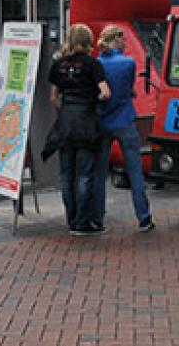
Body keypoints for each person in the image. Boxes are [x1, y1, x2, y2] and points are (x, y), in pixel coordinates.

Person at [48, 24, 110, 236]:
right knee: (84, 175)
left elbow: (53, 97)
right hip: (86, 122)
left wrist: (65, 110)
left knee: (66, 175)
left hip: (65, 122)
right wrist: (94, 100)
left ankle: (70, 219)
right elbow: (105, 92)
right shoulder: (93, 64)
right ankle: (82, 222)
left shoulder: (59, 64)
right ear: (88, 40)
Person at [96, 25, 155, 233]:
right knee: (135, 172)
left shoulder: (98, 64)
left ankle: (97, 217)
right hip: (125, 120)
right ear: (118, 39)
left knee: (99, 172)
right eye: (124, 40)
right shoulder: (128, 63)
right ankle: (144, 217)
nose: (126, 44)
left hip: (103, 121)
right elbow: (128, 88)